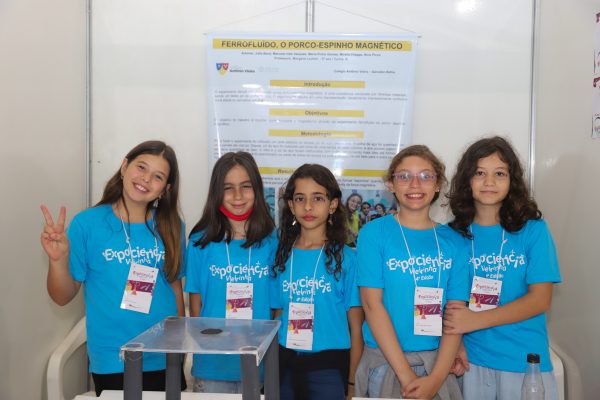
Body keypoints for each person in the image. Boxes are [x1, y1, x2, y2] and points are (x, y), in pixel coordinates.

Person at [41, 140, 186, 396]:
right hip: (113, 357)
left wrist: (179, 346)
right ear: (124, 166)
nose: (146, 179)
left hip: (164, 355)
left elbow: (175, 287)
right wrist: (57, 260)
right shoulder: (87, 223)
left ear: (165, 189)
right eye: (141, 167)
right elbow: (61, 297)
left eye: (158, 176)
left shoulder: (172, 225)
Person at [444, 136, 561, 400]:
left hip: (524, 361)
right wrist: (456, 342)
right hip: (469, 362)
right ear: (467, 179)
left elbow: (540, 300)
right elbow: (445, 301)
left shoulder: (533, 231)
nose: (489, 182)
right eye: (479, 173)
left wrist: (475, 320)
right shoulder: (451, 235)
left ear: (512, 180)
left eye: (499, 173)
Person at [355, 145, 468, 400]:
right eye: (404, 176)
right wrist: (406, 376)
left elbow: (456, 313)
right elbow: (372, 306)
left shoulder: (454, 242)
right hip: (385, 364)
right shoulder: (373, 234)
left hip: (438, 367)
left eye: (426, 176)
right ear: (391, 184)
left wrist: (436, 379)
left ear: (438, 184)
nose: (415, 184)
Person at [184, 151, 276, 393]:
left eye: (245, 186)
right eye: (228, 188)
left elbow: (276, 307)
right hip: (212, 365)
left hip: (258, 363)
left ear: (257, 189)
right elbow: (196, 305)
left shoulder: (272, 241)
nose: (238, 196)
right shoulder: (199, 241)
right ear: (217, 192)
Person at [271, 164, 363, 400]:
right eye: (300, 198)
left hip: (329, 365)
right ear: (291, 205)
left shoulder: (347, 258)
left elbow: (356, 327)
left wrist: (352, 382)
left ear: (332, 204)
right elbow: (277, 314)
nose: (308, 206)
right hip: (284, 361)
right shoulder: (280, 255)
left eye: (318, 198)